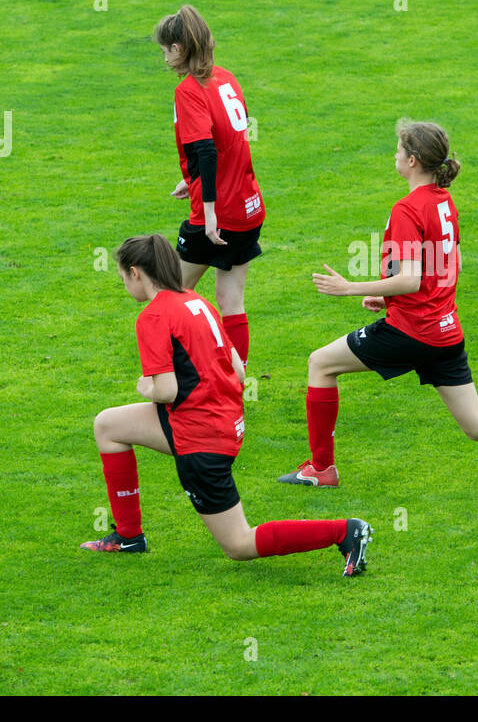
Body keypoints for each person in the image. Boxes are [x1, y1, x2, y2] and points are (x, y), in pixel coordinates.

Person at [278, 120, 478, 493]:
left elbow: (411, 279)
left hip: (410, 331)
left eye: (398, 151)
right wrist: (387, 298)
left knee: (319, 363)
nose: (395, 156)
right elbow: (452, 266)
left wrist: (350, 287)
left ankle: (321, 468)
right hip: (445, 332)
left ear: (413, 160)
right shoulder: (444, 202)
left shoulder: (406, 209)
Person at [81, 235, 372, 576]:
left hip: (201, 438)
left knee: (239, 545)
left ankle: (344, 532)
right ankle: (128, 536)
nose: (124, 286)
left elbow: (166, 390)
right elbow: (238, 368)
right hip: (224, 421)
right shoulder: (196, 300)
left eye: (122, 279)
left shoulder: (153, 317)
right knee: (108, 425)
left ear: (135, 273)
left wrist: (144, 385)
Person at [154, 4, 263, 364]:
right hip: (249, 204)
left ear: (179, 49)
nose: (163, 56)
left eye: (165, 49)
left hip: (217, 214)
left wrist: (210, 209)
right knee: (231, 301)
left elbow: (206, 149)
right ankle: (236, 387)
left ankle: (176, 381)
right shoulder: (226, 77)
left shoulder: (188, 90)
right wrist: (193, 179)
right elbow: (233, 134)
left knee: (170, 294)